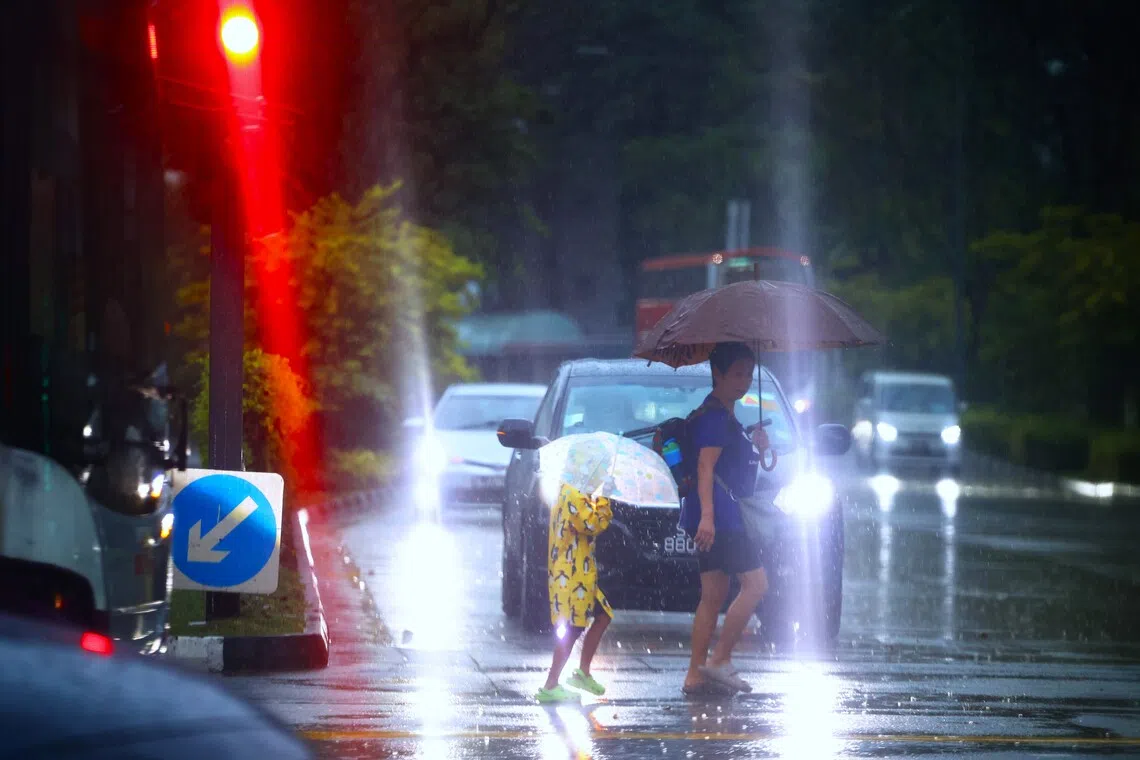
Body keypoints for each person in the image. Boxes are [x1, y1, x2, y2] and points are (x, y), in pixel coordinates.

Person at [679, 341, 771, 695]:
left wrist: (761, 448)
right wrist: (708, 517)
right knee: (756, 585)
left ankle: (695, 674)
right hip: (723, 519)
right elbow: (706, 467)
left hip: (716, 516)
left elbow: (738, 470)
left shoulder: (722, 414)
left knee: (713, 594)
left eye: (748, 374)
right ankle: (719, 659)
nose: (744, 381)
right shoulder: (716, 417)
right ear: (717, 374)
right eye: (737, 374)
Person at [535, 482, 615, 704]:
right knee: (573, 628)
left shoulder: (574, 492)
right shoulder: (573, 494)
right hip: (571, 575)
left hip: (582, 574)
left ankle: (583, 673)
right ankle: (551, 684)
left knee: (603, 615)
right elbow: (593, 524)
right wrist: (604, 499)